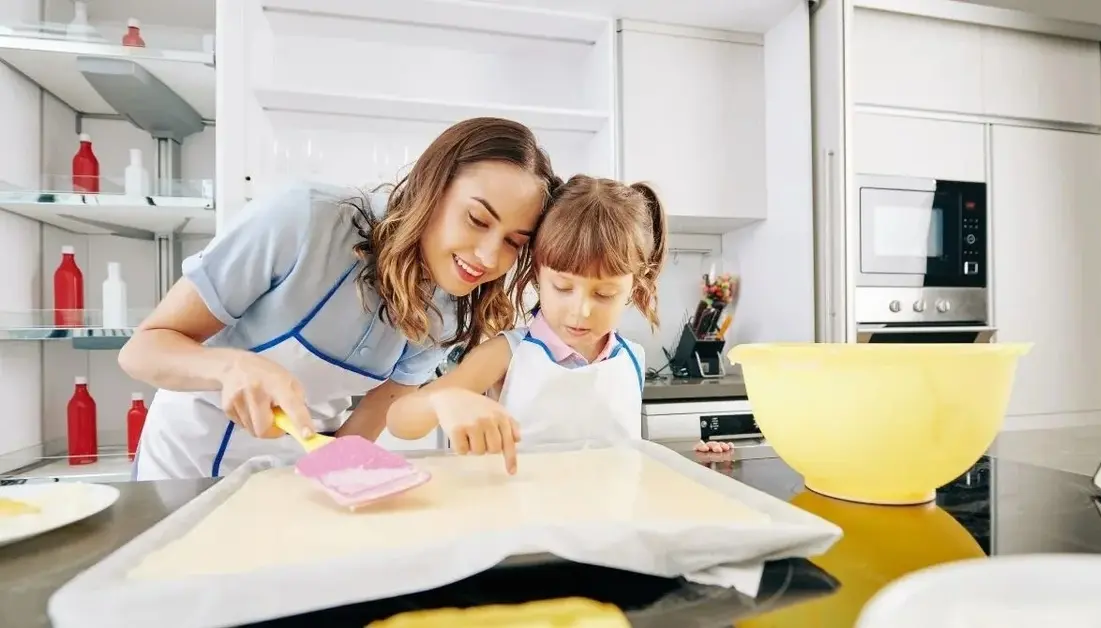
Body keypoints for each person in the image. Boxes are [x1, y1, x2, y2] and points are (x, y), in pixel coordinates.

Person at [119, 117, 558, 480]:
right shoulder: (306, 220)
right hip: (181, 470)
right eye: (477, 219)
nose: (487, 257)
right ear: (432, 187)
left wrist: (340, 483)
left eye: (514, 242)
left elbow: (365, 425)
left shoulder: (447, 303)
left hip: (286, 479)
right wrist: (230, 365)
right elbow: (142, 350)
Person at [383, 175, 731, 463]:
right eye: (563, 287)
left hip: (608, 532)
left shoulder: (632, 358)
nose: (581, 311)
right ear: (537, 274)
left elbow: (626, 454)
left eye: (604, 294)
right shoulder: (508, 353)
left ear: (636, 285)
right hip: (528, 530)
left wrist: (691, 459)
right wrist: (441, 401)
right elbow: (400, 420)